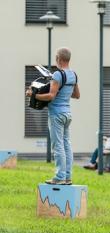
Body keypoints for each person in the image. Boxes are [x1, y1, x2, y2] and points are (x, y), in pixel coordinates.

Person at [26, 47, 79, 185]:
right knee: (66, 144)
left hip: (56, 114)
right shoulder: (73, 74)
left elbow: (51, 96)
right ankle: (67, 177)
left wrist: (34, 95)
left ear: (59, 59)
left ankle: (59, 177)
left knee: (58, 146)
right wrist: (63, 90)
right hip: (67, 114)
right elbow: (76, 95)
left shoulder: (57, 75)